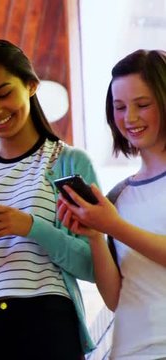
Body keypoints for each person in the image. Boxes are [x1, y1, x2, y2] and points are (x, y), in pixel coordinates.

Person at [0, 39, 98, 359]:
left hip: (47, 320)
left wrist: (29, 226)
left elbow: (91, 264)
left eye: (3, 93)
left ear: (31, 86)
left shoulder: (69, 162)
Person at [58, 49, 166, 359]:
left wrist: (115, 226)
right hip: (129, 350)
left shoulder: (115, 213)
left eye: (142, 105)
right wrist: (95, 235)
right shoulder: (119, 195)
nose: (129, 118)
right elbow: (116, 298)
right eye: (119, 107)